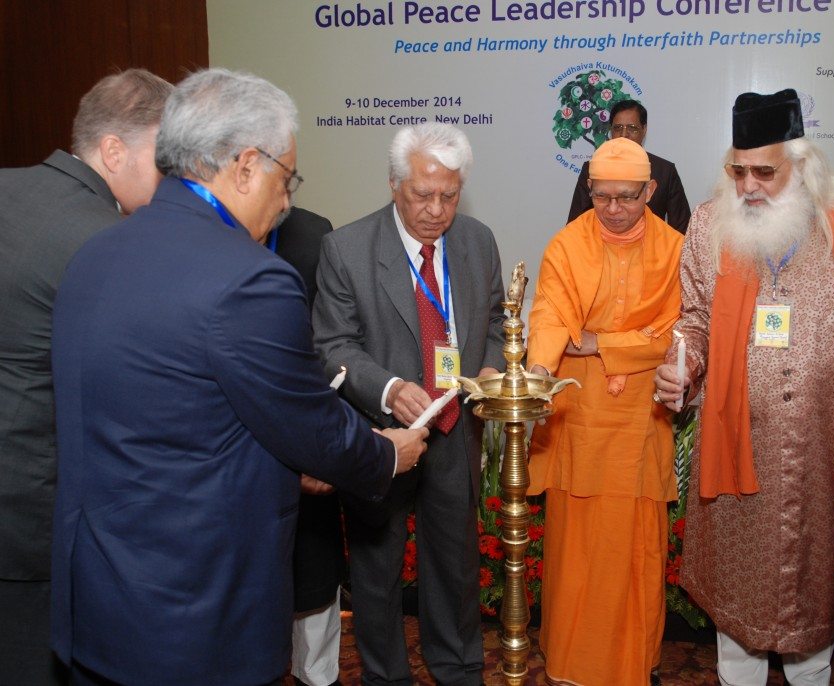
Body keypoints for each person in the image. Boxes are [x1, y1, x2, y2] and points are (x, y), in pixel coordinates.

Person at [49, 68, 427, 685]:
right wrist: (384, 455)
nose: (286, 201)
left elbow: (178, 416)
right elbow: (308, 421)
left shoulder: (96, 252)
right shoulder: (249, 277)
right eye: (287, 179)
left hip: (100, 598)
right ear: (247, 165)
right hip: (195, 616)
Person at [653, 88, 834, 685]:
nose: (748, 186)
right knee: (738, 627)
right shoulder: (712, 223)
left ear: (803, 163)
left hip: (825, 453)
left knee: (814, 615)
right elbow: (697, 318)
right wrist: (682, 364)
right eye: (738, 171)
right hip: (738, 458)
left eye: (765, 171)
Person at [312, 122, 505, 686]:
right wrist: (388, 389)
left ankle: (458, 669)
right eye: (423, 194)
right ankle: (387, 677)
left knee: (455, 567)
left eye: (449, 194)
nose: (436, 209)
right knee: (377, 572)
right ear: (395, 184)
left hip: (454, 425)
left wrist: (490, 365)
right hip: (381, 437)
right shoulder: (346, 248)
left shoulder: (477, 240)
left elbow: (493, 320)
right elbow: (332, 346)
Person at [0, 68, 172, 686]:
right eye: (165, 157)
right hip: (35, 522)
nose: (173, 176)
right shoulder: (107, 243)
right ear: (113, 151)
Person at [527, 136, 683, 686]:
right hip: (579, 413)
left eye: (627, 197)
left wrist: (602, 344)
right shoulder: (567, 246)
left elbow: (672, 334)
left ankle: (635, 664)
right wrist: (541, 369)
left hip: (641, 415)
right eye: (602, 196)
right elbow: (550, 313)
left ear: (651, 191)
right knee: (577, 549)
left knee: (636, 547)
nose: (613, 210)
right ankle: (573, 664)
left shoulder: (675, 250)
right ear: (588, 190)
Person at [275, 207, 347, 686]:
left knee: (313, 569)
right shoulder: (194, 234)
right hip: (237, 450)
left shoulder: (312, 233)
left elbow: (330, 344)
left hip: (305, 425)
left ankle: (317, 675)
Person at [567, 100, 691, 233]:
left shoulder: (665, 171)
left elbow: (682, 228)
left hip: (650, 249)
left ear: (644, 130)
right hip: (599, 249)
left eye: (632, 128)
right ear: (610, 131)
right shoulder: (592, 168)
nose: (624, 135)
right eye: (618, 128)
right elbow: (575, 225)